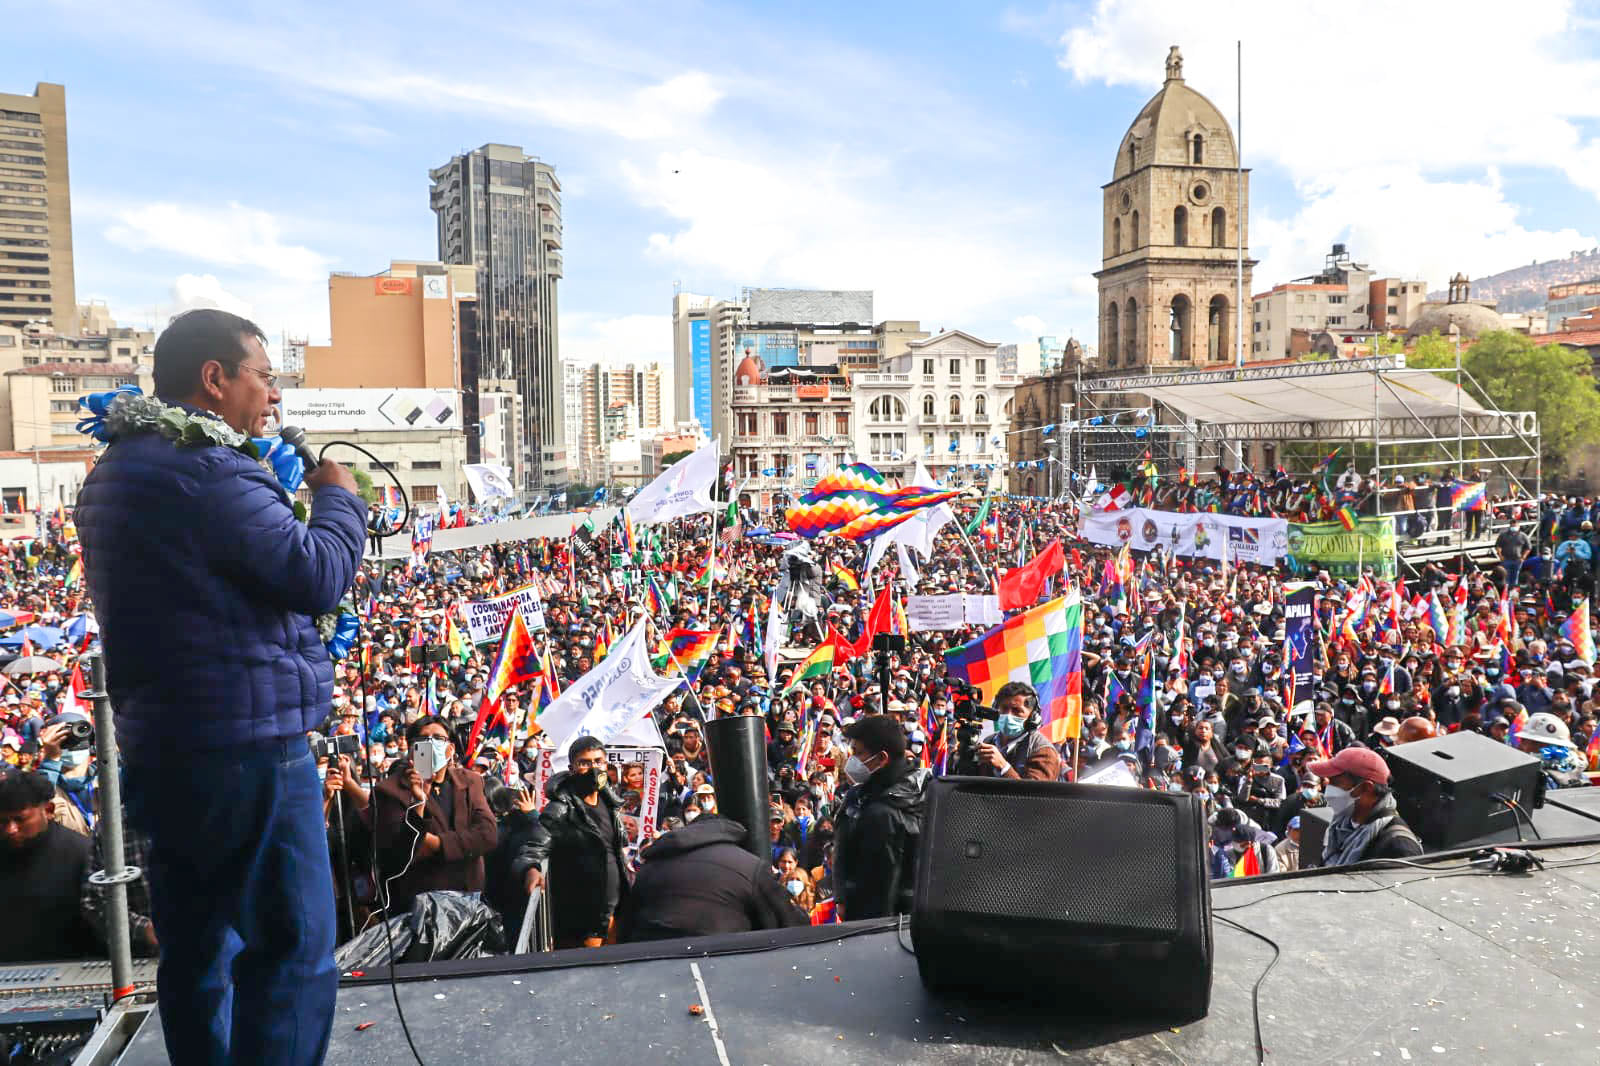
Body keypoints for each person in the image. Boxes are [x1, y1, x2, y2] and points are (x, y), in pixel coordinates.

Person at [75, 309, 366, 1066]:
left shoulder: (116, 469)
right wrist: (340, 499)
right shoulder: (211, 470)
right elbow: (315, 574)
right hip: (247, 747)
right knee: (294, 946)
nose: (273, 394)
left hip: (165, 745)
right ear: (214, 378)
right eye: (263, 376)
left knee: (199, 947)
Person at [371, 715, 498, 912]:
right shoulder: (389, 790)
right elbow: (400, 854)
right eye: (423, 739)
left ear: (451, 749)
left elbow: (488, 835)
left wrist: (438, 844)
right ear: (412, 750)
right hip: (422, 907)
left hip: (470, 901)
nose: (431, 744)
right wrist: (419, 803)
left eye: (438, 738)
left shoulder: (471, 781)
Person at [615, 815, 808, 943]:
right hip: (720, 961)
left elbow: (625, 926)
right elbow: (789, 920)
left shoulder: (650, 866)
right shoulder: (750, 866)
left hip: (653, 959)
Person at [520, 736, 632, 948]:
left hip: (614, 910)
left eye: (598, 761)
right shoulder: (561, 808)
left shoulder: (609, 803)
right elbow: (534, 846)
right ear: (572, 769)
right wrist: (531, 869)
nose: (593, 768)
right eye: (584, 763)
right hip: (583, 915)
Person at [833, 714, 929, 920]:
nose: (852, 760)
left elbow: (879, 891)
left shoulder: (891, 809)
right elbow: (842, 852)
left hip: (887, 924)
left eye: (858, 753)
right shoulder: (858, 797)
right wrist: (841, 896)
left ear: (881, 758)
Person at [0, 767, 98, 961]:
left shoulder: (84, 854)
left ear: (49, 810)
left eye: (20, 820)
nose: (11, 829)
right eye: (3, 822)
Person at [1307, 746, 1423, 866]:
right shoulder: (1340, 827)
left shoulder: (1399, 849)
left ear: (1366, 788)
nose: (1328, 789)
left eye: (1335, 783)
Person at [974, 681, 1064, 781]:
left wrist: (1004, 767)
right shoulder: (989, 741)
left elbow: (1034, 790)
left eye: (1016, 710)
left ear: (1032, 717)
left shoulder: (1043, 751)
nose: (1008, 715)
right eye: (1004, 708)